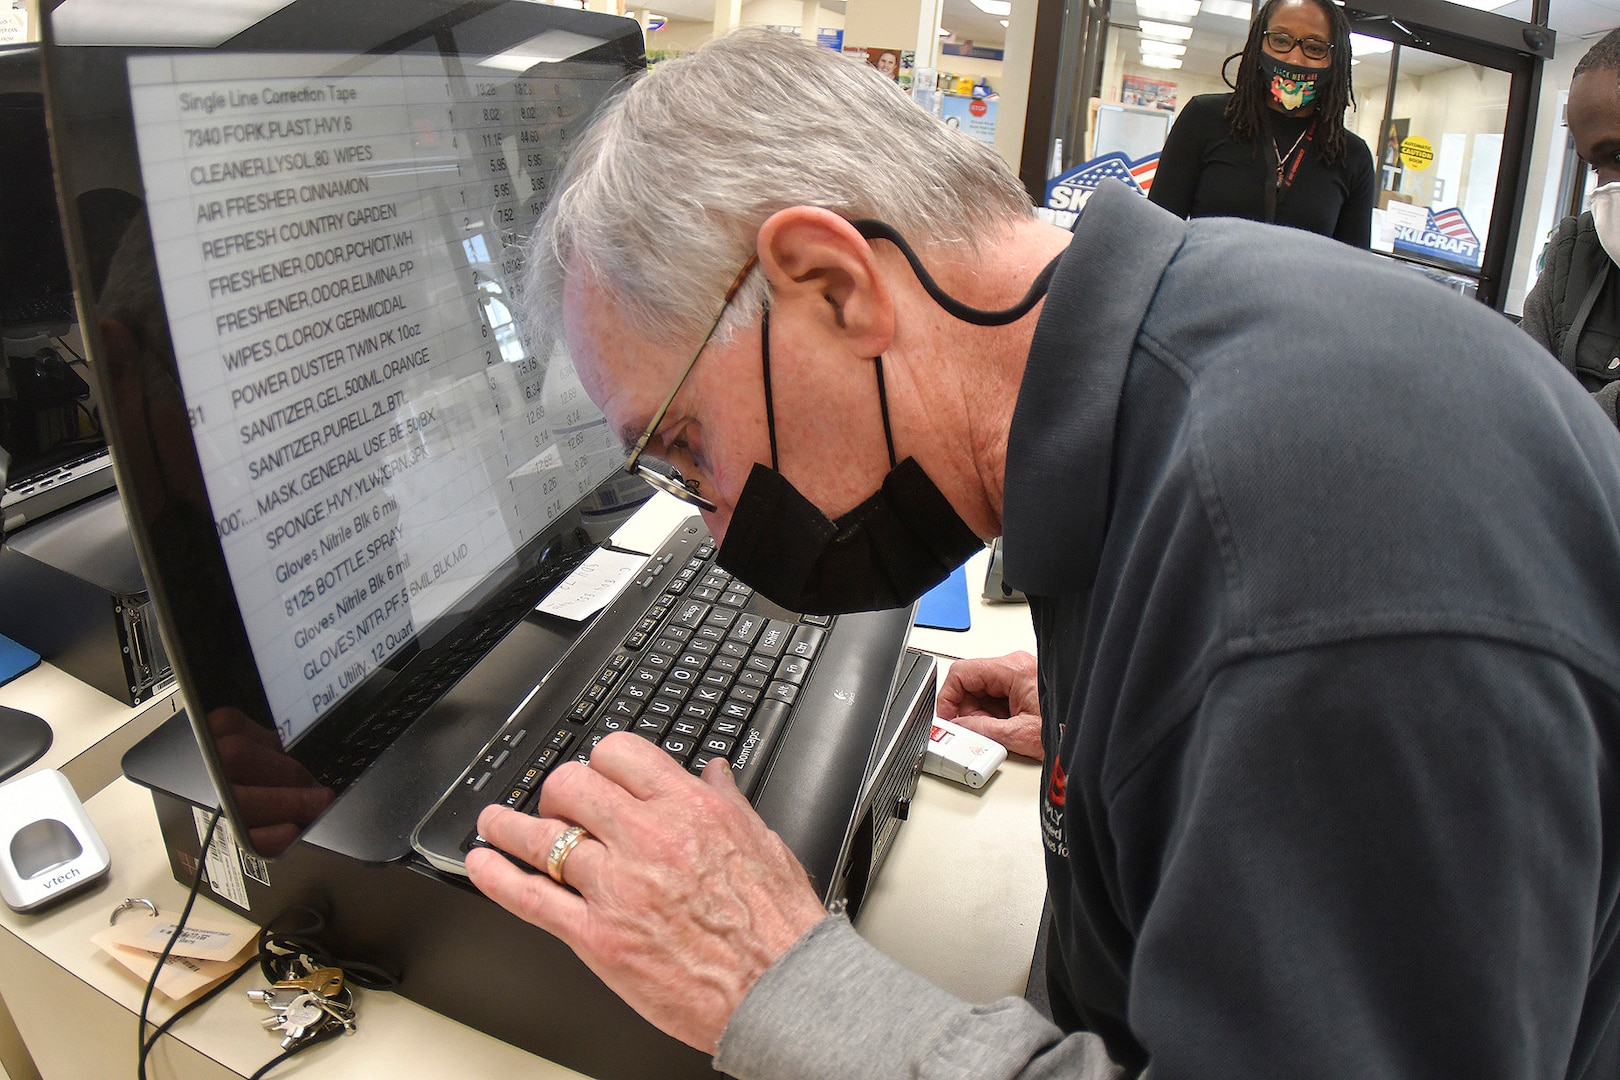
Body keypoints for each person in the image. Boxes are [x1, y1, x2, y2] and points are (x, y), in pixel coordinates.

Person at [466, 27, 1620, 1080]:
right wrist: (1124, 714)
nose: (712, 526)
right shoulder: (1180, 358)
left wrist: (779, 984)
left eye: (686, 449)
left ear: (831, 285)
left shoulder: (1319, 568)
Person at [1148, 0, 1375, 246]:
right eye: (1280, 41)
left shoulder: (1352, 156)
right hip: (1201, 283)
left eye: (1315, 48)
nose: (1295, 59)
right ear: (1259, 44)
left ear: (1337, 59)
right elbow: (1156, 235)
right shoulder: (1204, 118)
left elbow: (1352, 269)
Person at [1521, 27, 1620, 427]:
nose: (1606, 188)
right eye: (1595, 166)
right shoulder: (1574, 254)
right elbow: (1522, 411)